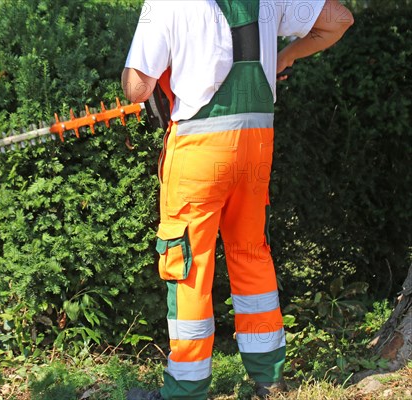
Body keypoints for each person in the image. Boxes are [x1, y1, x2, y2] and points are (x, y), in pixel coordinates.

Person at [121, 1, 354, 399]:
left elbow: (138, 87)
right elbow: (338, 20)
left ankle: (186, 389)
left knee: (188, 263)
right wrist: (287, 54)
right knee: (251, 252)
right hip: (255, 141)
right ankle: (270, 379)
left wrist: (136, 75)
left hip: (198, 146)